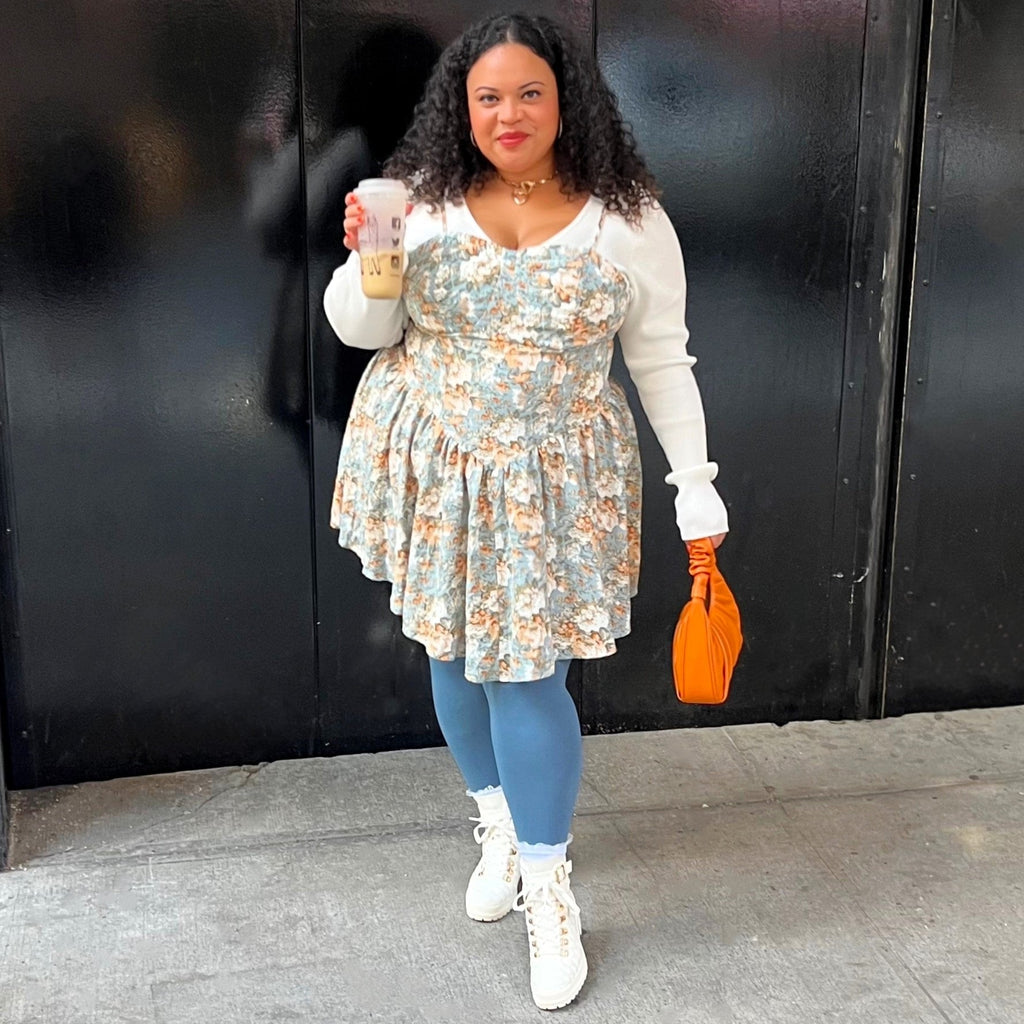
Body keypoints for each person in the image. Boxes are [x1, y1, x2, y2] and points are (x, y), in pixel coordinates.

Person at [323, 13, 729, 1011]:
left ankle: (549, 885)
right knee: (452, 650)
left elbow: (662, 358)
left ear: (566, 101)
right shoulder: (415, 202)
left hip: (555, 481)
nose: (509, 114)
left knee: (527, 671)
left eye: (530, 93)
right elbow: (365, 330)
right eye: (489, 97)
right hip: (437, 463)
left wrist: (695, 483)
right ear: (461, 108)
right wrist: (372, 255)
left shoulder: (628, 220)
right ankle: (499, 825)